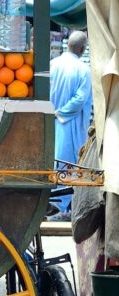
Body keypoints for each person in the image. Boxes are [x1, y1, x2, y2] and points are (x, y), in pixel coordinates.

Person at [49, 30, 92, 215]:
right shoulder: (83, 70)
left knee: (53, 161)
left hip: (50, 121)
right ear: (82, 49)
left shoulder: (52, 64)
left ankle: (53, 203)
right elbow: (80, 99)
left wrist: (53, 111)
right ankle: (62, 208)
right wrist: (62, 113)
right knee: (69, 164)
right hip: (69, 123)